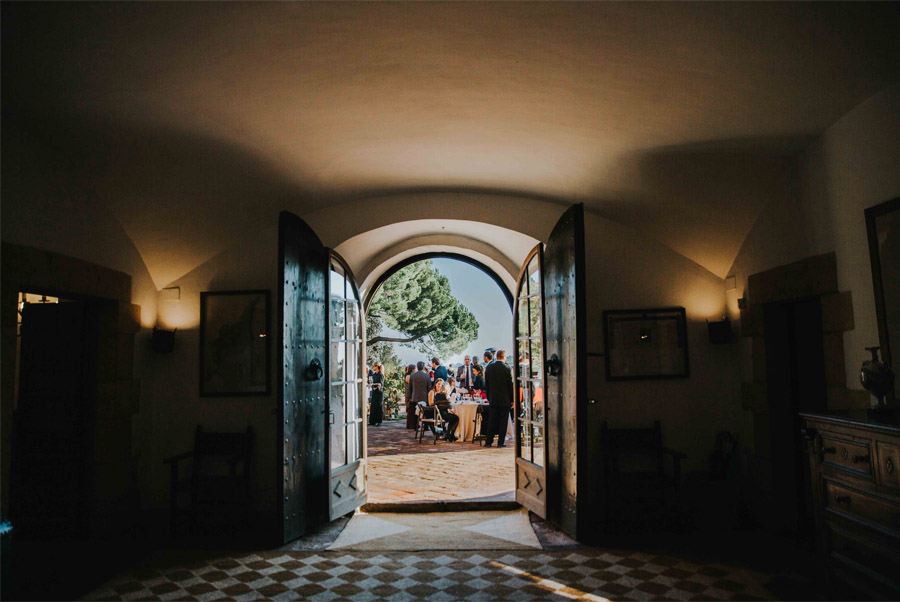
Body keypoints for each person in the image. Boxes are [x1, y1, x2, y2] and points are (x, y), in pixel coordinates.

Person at [483, 349, 514, 448]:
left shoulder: (489, 368)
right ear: (504, 357)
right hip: (505, 399)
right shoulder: (507, 368)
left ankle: (488, 442)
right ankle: (500, 443)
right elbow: (510, 385)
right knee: (503, 422)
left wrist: (488, 397)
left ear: (496, 356)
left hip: (493, 398)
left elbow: (486, 385)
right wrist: (512, 399)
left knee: (492, 421)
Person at [409, 361, 432, 425]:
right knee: (425, 412)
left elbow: (410, 387)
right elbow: (429, 387)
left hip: (414, 396)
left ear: (417, 367)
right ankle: (425, 426)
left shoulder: (412, 375)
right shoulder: (426, 376)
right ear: (423, 367)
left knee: (415, 412)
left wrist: (410, 396)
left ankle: (415, 426)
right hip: (424, 397)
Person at [404, 364, 417, 429]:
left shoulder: (410, 375)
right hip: (409, 394)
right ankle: (410, 425)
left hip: (410, 394)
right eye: (415, 369)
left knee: (412, 409)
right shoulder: (409, 376)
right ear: (412, 369)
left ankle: (412, 424)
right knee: (410, 410)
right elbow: (411, 386)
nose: (416, 370)